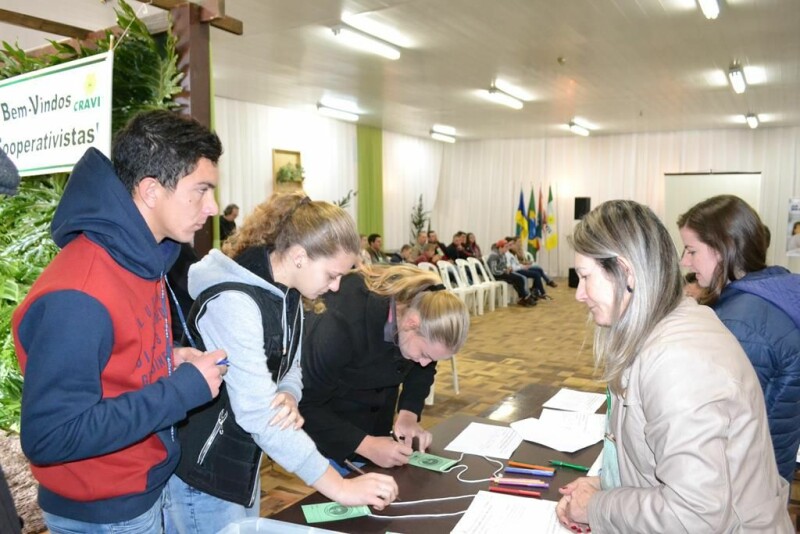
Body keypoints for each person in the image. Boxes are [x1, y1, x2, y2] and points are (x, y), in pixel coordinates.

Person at [11, 110, 228, 532]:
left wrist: (167, 359)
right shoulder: (79, 294)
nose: (213, 207)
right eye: (201, 190)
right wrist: (181, 390)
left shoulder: (140, 259)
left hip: (138, 487)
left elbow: (114, 364)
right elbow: (51, 436)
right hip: (105, 512)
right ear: (150, 191)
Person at [166, 193, 398, 533]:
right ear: (300, 257)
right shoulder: (235, 301)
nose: (335, 288)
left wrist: (288, 393)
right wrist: (341, 487)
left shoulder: (286, 294)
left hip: (241, 463)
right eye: (332, 275)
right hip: (202, 474)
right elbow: (258, 412)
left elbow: (291, 367)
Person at [556, 200, 791, 533]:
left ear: (626, 272)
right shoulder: (659, 330)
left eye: (585, 277)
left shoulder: (679, 362)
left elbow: (694, 515)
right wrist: (607, 486)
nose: (580, 295)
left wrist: (597, 506)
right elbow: (654, 459)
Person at [678, 194, 800, 484]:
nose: (685, 261)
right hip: (766, 473)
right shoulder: (774, 288)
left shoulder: (740, 325)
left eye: (691, 251)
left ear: (724, 249)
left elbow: (718, 429)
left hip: (741, 486)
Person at [299, 264, 470, 468]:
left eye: (433, 359)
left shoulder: (423, 305)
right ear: (411, 324)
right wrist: (366, 445)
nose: (425, 363)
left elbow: (422, 370)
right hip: (327, 427)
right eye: (424, 354)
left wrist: (408, 414)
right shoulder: (339, 322)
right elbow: (304, 403)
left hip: (375, 424)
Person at [486, 239, 536, 307]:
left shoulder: (503, 254)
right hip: (496, 275)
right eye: (506, 247)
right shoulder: (494, 255)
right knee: (518, 279)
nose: (507, 249)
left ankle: (523, 298)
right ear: (500, 247)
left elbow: (504, 265)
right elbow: (494, 271)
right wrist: (505, 271)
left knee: (518, 279)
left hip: (502, 273)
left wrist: (507, 268)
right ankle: (525, 297)